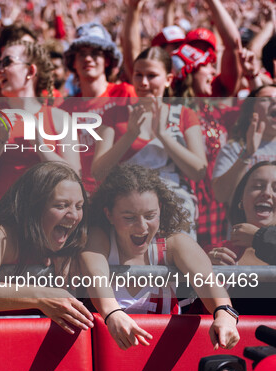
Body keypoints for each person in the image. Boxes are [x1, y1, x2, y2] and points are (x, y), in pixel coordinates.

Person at [80, 164, 239, 350]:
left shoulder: (175, 244)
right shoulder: (99, 238)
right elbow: (95, 273)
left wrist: (225, 315)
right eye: (129, 217)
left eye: (150, 215)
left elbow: (206, 279)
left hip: (161, 360)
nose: (142, 227)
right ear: (109, 214)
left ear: (160, 210)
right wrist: (112, 313)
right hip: (104, 361)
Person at [0, 161, 94, 335]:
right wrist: (43, 295)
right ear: (33, 207)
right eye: (61, 206)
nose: (74, 216)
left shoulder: (75, 243)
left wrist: (76, 256)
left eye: (79, 206)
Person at [91, 47, 206, 239]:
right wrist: (129, 135)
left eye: (152, 75)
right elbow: (98, 171)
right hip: (128, 212)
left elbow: (198, 170)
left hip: (174, 212)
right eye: (138, 75)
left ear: (168, 79)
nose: (143, 82)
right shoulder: (114, 115)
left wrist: (163, 135)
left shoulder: (185, 115)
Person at [0, 40, 79, 213]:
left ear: (30, 71)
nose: (0, 70)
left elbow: (75, 179)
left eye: (7, 62)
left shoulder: (59, 118)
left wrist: (41, 148)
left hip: (41, 221)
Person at [60, 22, 136, 194]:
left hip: (125, 193)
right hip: (84, 197)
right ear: (73, 62)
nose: (88, 59)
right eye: (82, 54)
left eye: (95, 53)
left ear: (108, 60)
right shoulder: (64, 109)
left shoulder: (125, 93)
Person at [213, 84, 276, 204]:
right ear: (251, 112)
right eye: (265, 99)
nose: (274, 101)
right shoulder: (235, 148)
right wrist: (247, 154)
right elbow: (220, 195)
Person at [208, 161, 276, 266]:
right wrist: (206, 266)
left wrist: (258, 238)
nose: (267, 193)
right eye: (257, 186)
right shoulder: (217, 252)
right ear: (241, 198)